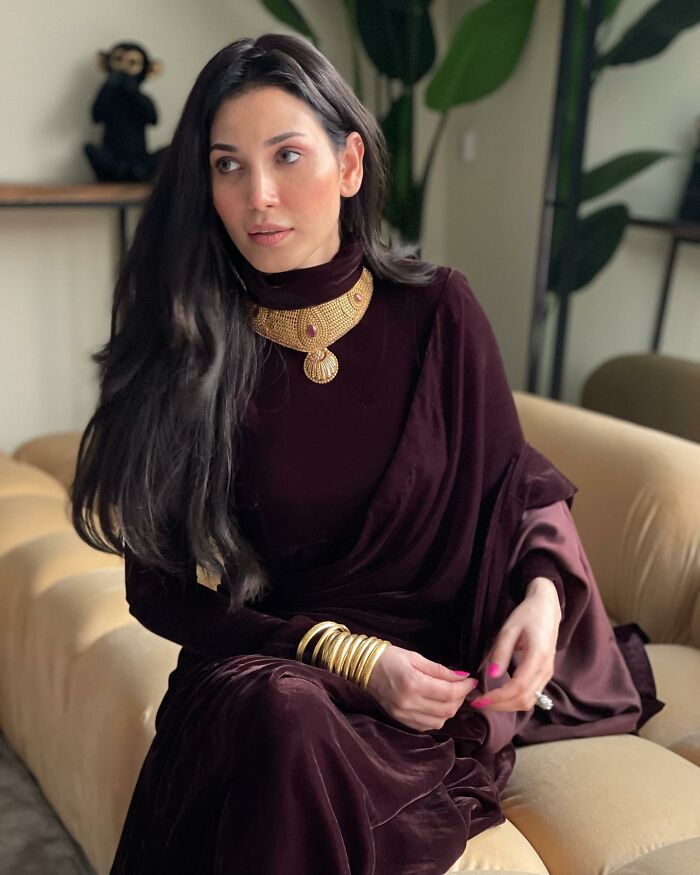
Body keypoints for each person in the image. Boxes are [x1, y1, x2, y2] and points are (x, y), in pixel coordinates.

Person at [70, 33, 663, 875]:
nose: (259, 196)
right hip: (271, 662)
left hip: (427, 689)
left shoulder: (439, 312)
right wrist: (347, 653)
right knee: (281, 717)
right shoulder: (191, 345)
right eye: (228, 165)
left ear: (349, 165)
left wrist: (544, 596)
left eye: (287, 155)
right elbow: (158, 593)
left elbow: (513, 479)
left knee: (287, 726)